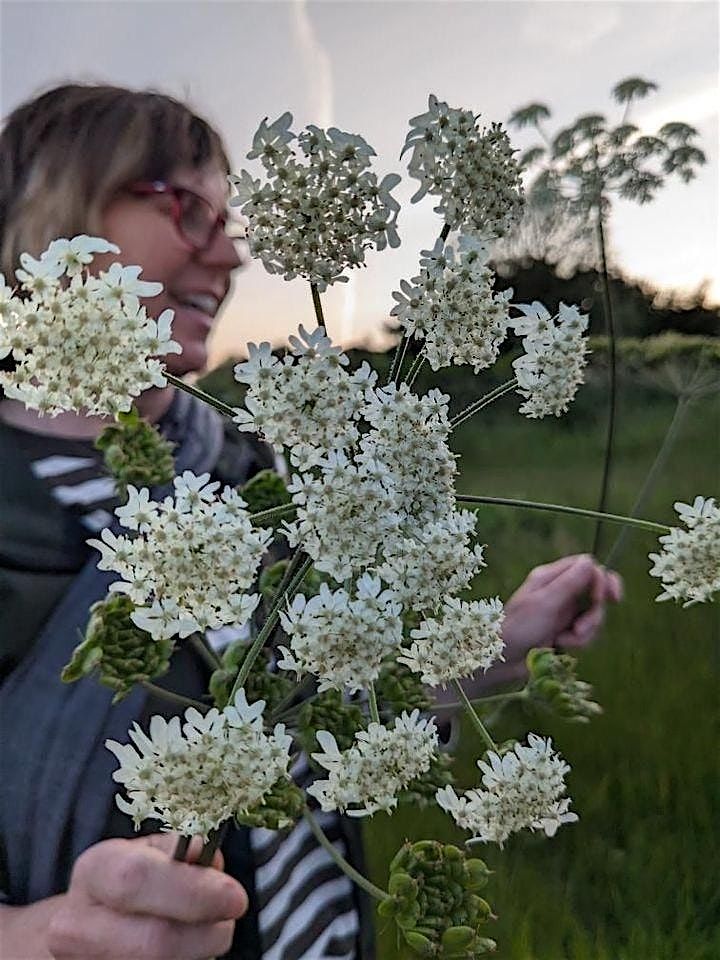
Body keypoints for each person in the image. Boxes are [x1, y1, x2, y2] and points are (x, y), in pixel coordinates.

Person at [0, 82, 621, 960]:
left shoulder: (251, 464)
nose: (228, 257)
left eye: (234, 220)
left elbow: (308, 713)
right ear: (47, 207)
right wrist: (41, 936)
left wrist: (488, 651)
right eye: (185, 209)